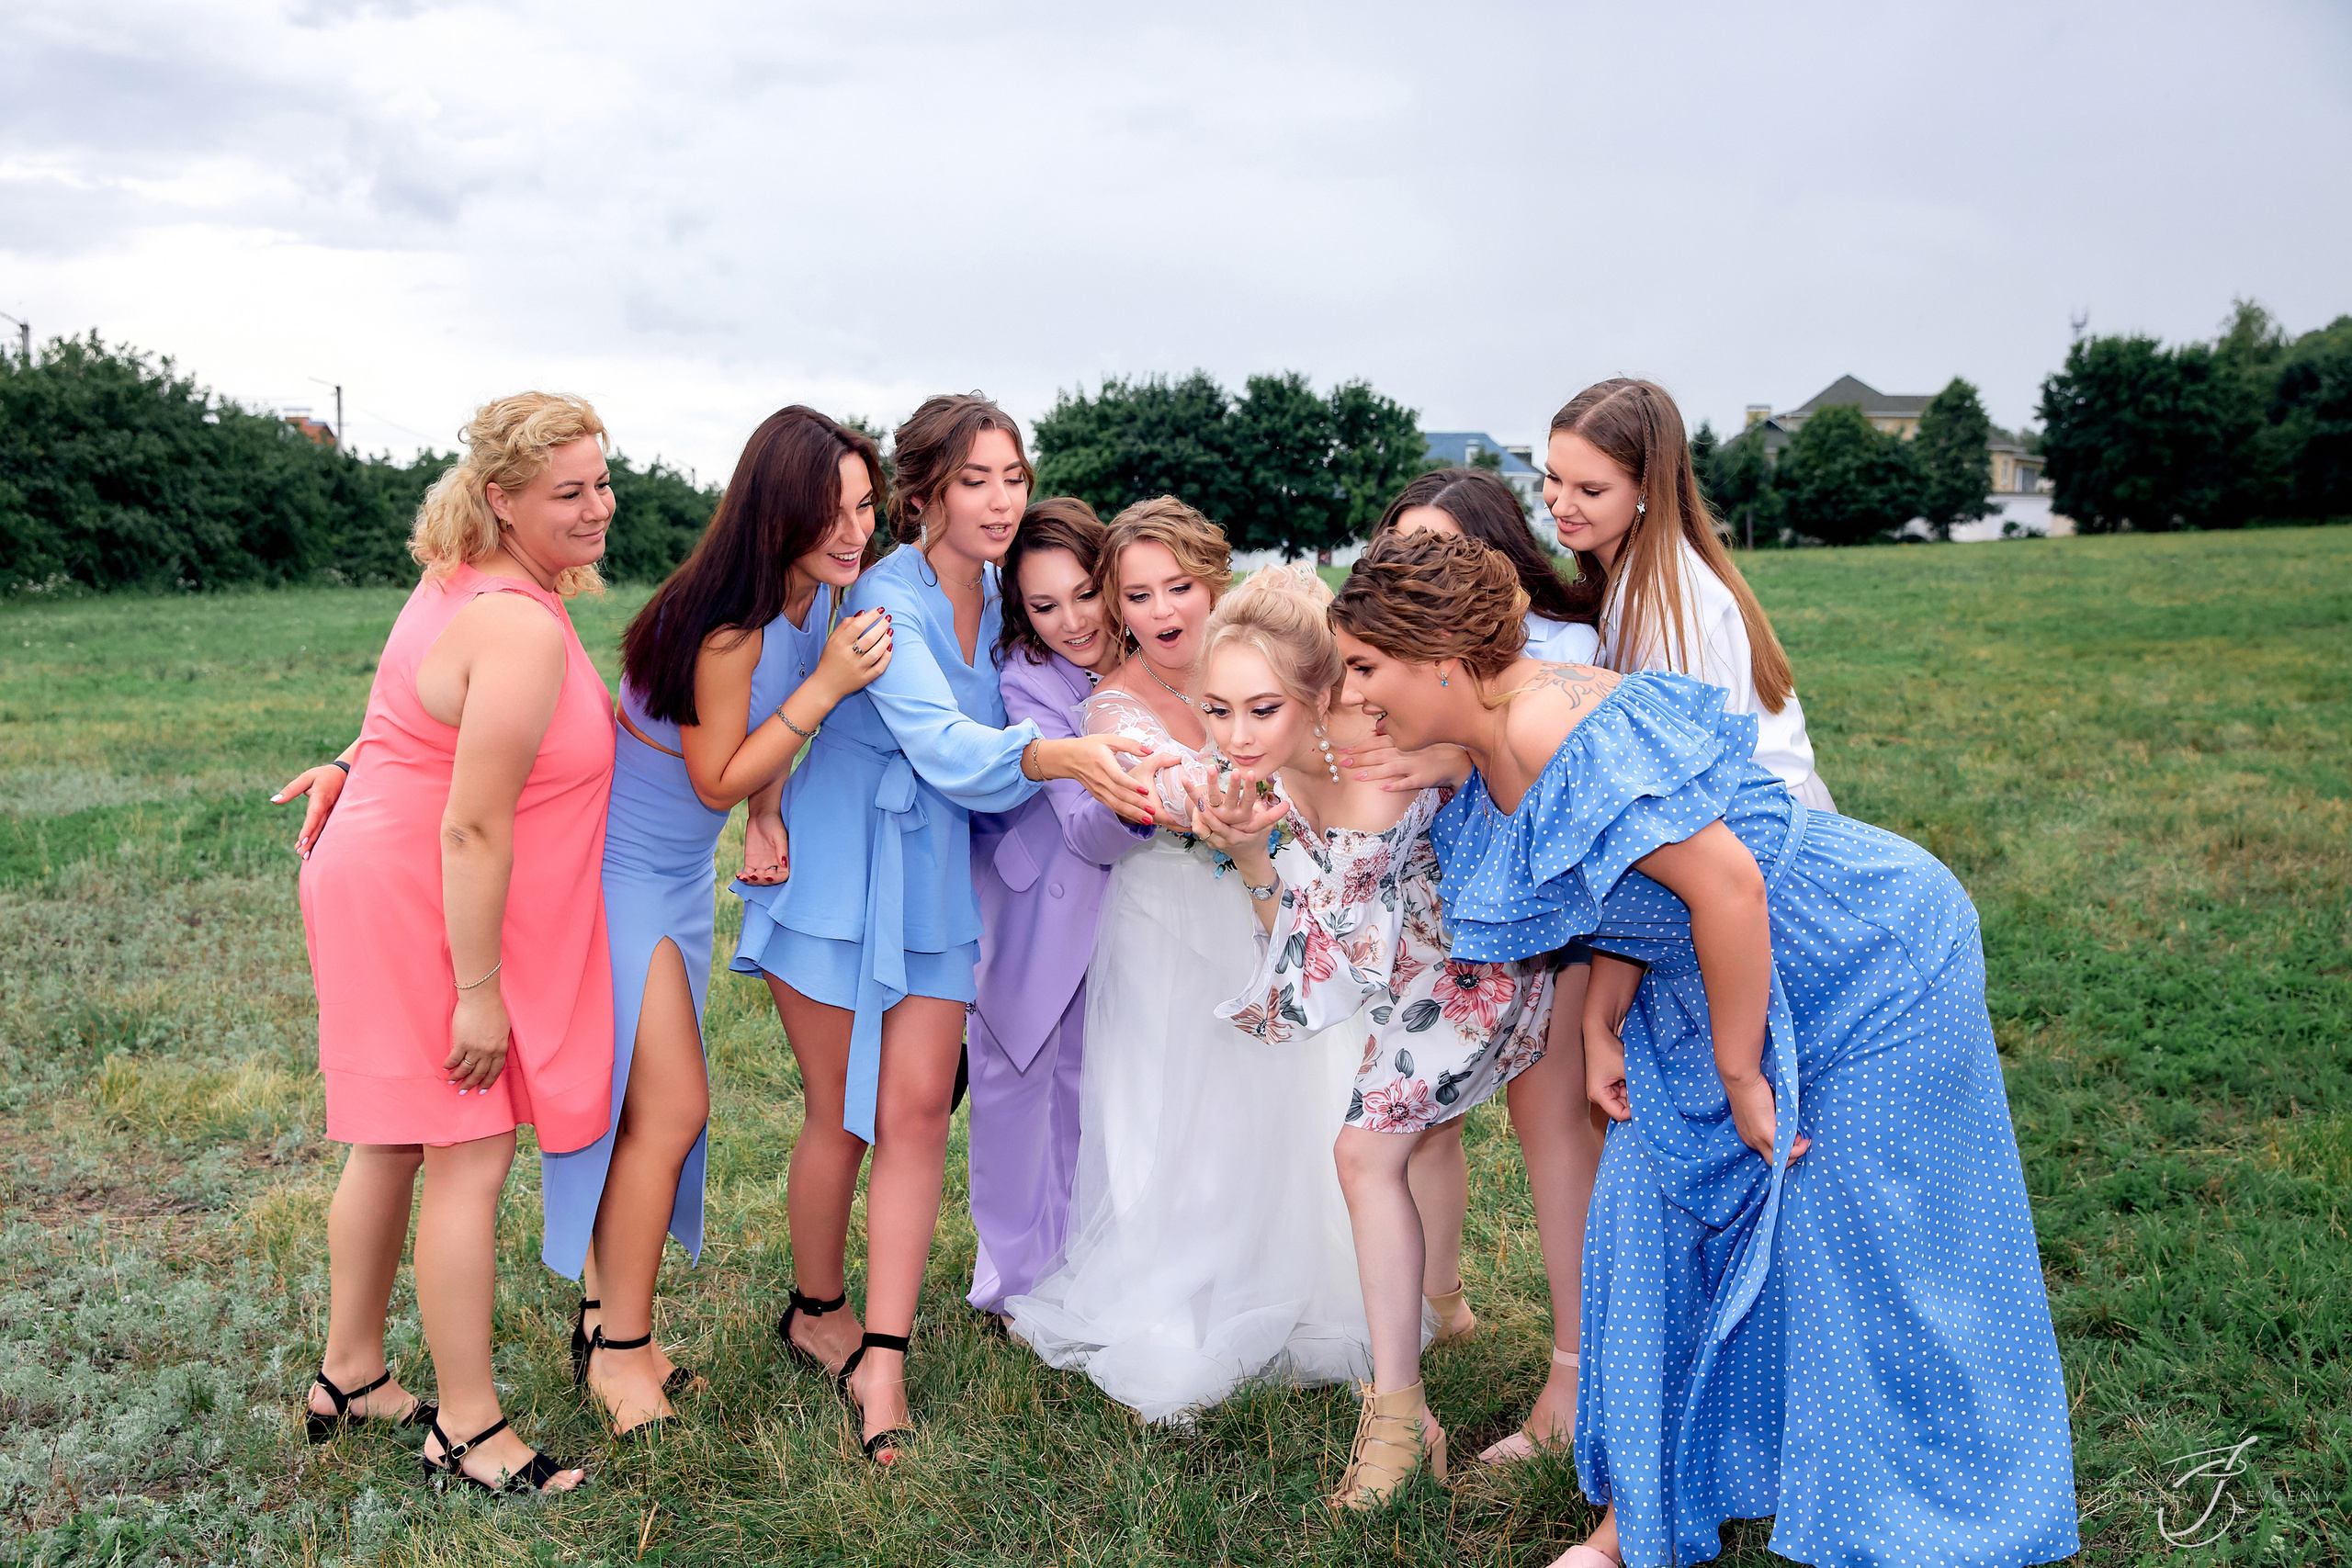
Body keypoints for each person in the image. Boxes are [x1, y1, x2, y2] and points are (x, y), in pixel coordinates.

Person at [1329, 530, 2078, 1568]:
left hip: (1856, 957)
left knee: (1856, 1238)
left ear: (1441, 663)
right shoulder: (1485, 736)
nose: (1358, 694)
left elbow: (1728, 885)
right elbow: (1629, 882)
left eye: (1367, 668)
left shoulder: (1553, 727)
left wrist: (1740, 1075)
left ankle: (1935, 1504)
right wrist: (1599, 1019)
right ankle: (1637, 1525)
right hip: (1709, 979)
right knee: (1642, 1229)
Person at [728, 394, 1152, 1463]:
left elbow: (1071, 672)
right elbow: (951, 749)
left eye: (1013, 476)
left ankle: (884, 1360)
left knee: (918, 1113)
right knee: (844, 1117)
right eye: (975, 480)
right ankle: (812, 1306)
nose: (1002, 500)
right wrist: (1062, 759)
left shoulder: (1016, 592)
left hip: (932, 887)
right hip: (837, 876)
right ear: (927, 495)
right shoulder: (882, 600)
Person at [278, 391, 620, 1495]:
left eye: (602, 482)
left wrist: (355, 761)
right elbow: (471, 821)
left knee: (388, 1138)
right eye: (566, 492)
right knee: (468, 1154)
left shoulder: (469, 582)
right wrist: (480, 993)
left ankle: (352, 1374)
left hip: (379, 865)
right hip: (417, 890)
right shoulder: (515, 622)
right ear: (501, 499)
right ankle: (466, 1431)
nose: (597, 507)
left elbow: (413, 718)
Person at [539, 406, 895, 1437]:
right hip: (618, 877)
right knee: (675, 1110)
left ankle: (624, 1329)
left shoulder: (809, 603)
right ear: (772, 510)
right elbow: (713, 773)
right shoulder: (730, 623)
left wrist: (771, 814)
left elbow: (751, 767)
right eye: (826, 513)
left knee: (649, 1113)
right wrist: (825, 693)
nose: (852, 532)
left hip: (677, 880)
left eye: (866, 507)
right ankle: (613, 1353)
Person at [1190, 564, 1554, 1508]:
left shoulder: (1367, 748)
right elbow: (1305, 944)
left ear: (1320, 695)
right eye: (1215, 710)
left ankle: (1398, 1415)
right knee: (1397, 1144)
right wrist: (1245, 850)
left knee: (1362, 1153)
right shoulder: (1277, 773)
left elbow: (1328, 964)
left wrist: (1258, 850)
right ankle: (1438, 1324)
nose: (1235, 737)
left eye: (1260, 709)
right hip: (1407, 977)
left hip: (1479, 960)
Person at [1002, 501, 1368, 1426]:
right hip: (1163, 922)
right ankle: (1179, 1287)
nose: (1163, 608)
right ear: (1119, 610)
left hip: (1264, 911)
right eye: (1138, 594)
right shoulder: (1112, 703)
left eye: (1179, 585)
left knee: (1281, 1102)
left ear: (1215, 583)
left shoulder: (1265, 665)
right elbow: (1165, 785)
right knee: (1169, 1106)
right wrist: (1209, 797)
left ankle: (1283, 1274)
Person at [1348, 463, 1610, 1462]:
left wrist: (1445, 759)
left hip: (1549, 925)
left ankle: (1574, 1378)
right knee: (1411, 1135)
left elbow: (1502, 754)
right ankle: (1432, 1312)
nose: (1422, 571)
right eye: (1402, 551)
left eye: (1442, 550)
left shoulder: (1555, 657)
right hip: (1439, 927)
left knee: (1553, 1133)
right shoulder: (1380, 663)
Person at [965, 498, 1155, 1321]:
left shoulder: (1157, 643)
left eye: (1085, 593)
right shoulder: (1024, 677)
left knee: (1096, 1081)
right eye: (1044, 606)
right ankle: (1014, 1278)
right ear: (1020, 609)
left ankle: (1090, 1255)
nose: (1073, 620)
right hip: (1037, 897)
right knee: (1014, 1082)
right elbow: (1084, 821)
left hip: (1138, 909)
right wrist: (1148, 799)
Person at [1544, 378, 1836, 810]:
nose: (1560, 505)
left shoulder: (1667, 598)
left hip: (1757, 821)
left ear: (1647, 490)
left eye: (1590, 491)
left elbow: (1679, 772)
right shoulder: (1635, 570)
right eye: (1552, 478)